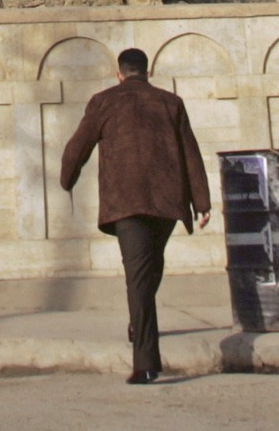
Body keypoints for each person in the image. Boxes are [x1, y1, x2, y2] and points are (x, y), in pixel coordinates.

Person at [57, 46, 212, 384]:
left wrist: (67, 178)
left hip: (125, 199)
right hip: (166, 200)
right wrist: (202, 201)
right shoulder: (171, 102)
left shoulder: (104, 101)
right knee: (148, 267)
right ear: (147, 72)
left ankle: (144, 362)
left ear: (119, 73)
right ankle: (141, 335)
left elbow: (79, 144)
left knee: (141, 273)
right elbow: (191, 152)